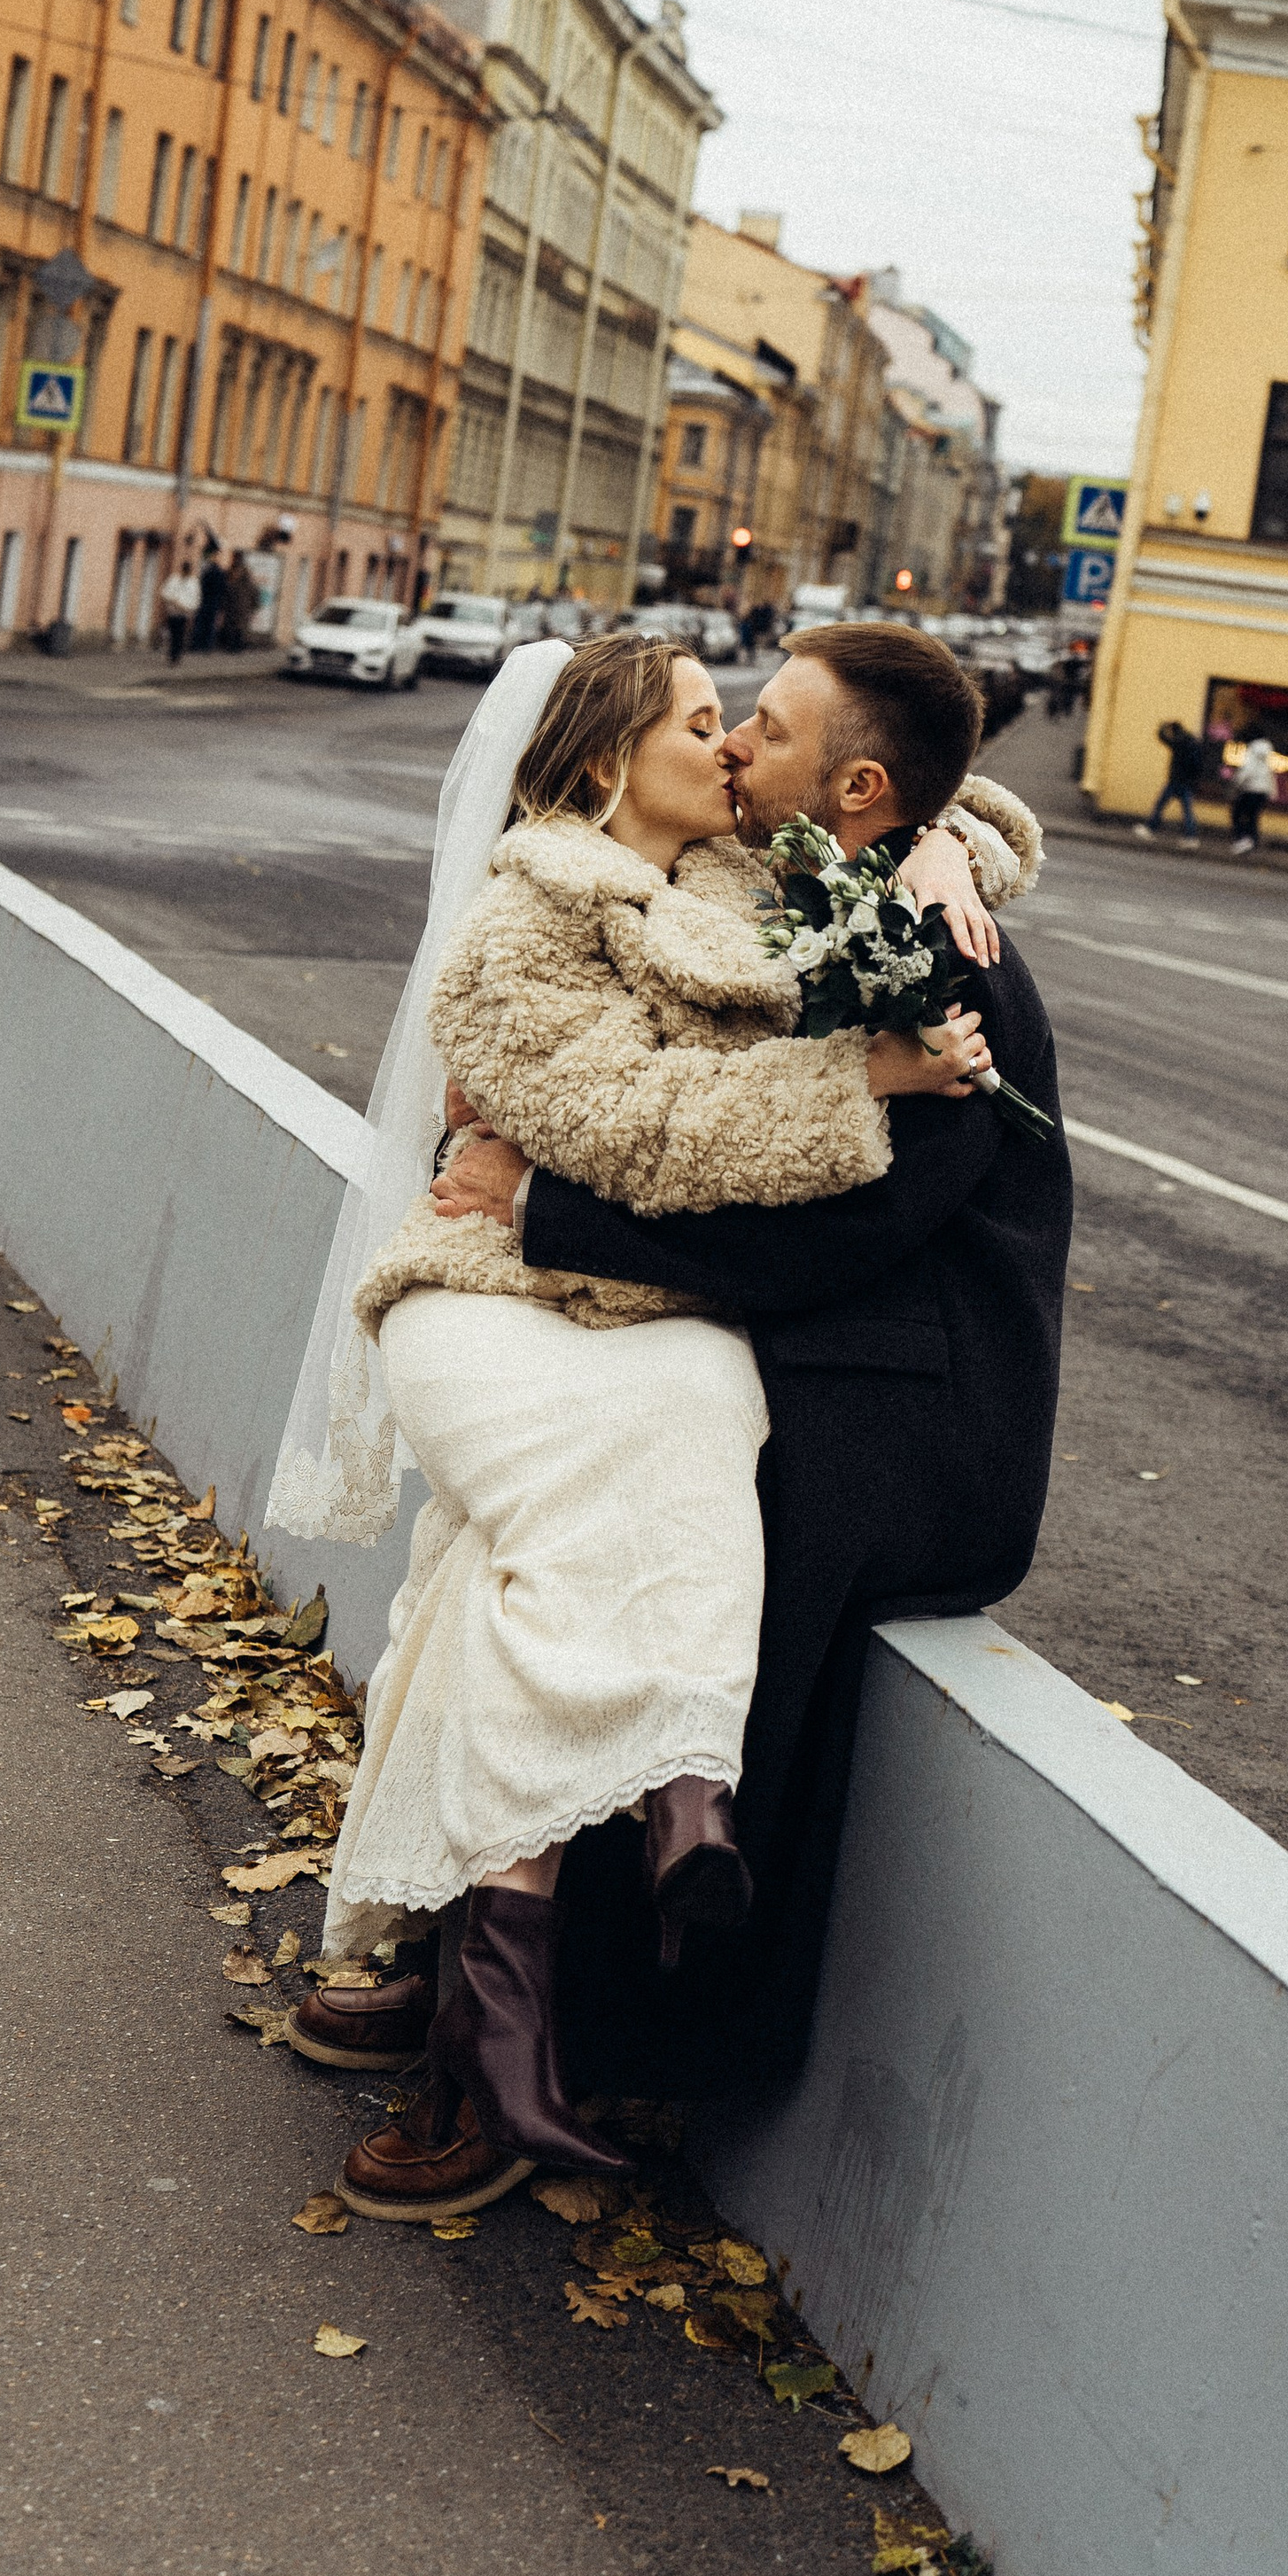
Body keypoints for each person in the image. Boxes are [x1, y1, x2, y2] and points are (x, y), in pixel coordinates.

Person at [269, 633, 1036, 2222]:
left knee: (592, 1533)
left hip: (892, 1408)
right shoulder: (806, 873)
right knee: (553, 1530)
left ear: (863, 788)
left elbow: (827, 1243)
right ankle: (474, 1991)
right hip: (775, 1343)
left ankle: (507, 2039)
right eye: (722, 719)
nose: (741, 746)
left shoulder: (936, 947)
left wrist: (540, 1207)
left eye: (761, 723)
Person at [1135, 717, 1205, 843]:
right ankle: (1191, 837)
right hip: (1187, 782)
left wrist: (1163, 727)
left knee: (1160, 805)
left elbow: (1163, 738)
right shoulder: (1192, 742)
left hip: (1175, 781)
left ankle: (1150, 828)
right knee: (1187, 811)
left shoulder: (1179, 742)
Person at [1228, 728, 1279, 856]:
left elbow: (1247, 769)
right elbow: (1271, 774)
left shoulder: (1252, 750)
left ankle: (1243, 840)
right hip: (1263, 791)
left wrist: (1236, 783)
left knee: (1237, 813)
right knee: (1253, 816)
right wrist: (1272, 792)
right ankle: (1253, 841)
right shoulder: (1268, 751)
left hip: (1250, 788)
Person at [159, 556, 200, 666]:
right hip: (173, 612)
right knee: (173, 634)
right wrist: (173, 601)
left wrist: (188, 608)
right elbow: (164, 592)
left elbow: (195, 599)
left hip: (184, 613)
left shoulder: (193, 583)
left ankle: (176, 656)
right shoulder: (174, 579)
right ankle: (172, 655)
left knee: (180, 635)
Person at [190, 547, 228, 651]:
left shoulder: (208, 572)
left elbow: (202, 587)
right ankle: (206, 646)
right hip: (214, 602)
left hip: (206, 601)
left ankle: (197, 645)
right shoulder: (221, 573)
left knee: (201, 623)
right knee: (209, 624)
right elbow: (223, 590)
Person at [218, 549, 252, 651]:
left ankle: (235, 646)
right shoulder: (240, 571)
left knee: (236, 627)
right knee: (235, 626)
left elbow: (229, 587)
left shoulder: (238, 571)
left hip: (238, 604)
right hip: (237, 604)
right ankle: (235, 646)